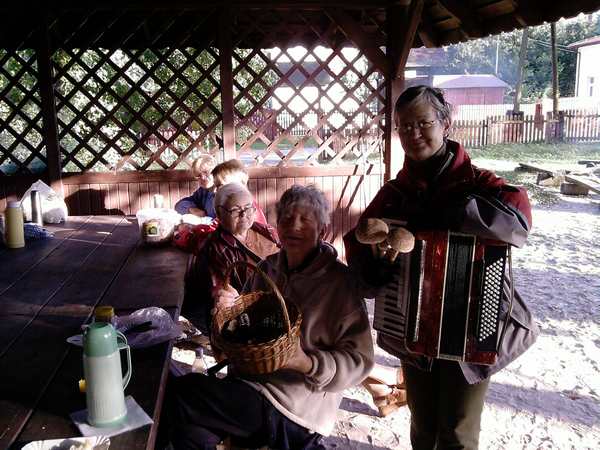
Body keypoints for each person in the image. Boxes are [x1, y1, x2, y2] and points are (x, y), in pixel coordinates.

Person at [344, 85, 538, 449]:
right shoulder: (394, 195)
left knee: (458, 433)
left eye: (423, 123)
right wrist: (371, 270)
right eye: (405, 126)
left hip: (471, 327)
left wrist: (462, 211)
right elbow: (358, 239)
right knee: (423, 426)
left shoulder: (479, 184)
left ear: (445, 123)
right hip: (412, 326)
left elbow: (520, 223)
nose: (414, 133)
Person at [169, 185, 374, 450]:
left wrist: (306, 363)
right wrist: (226, 315)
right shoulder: (267, 268)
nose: (294, 226)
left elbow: (360, 361)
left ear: (322, 231)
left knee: (183, 393)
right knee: (190, 429)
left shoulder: (340, 284)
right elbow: (235, 340)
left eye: (305, 219)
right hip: (249, 386)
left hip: (292, 405)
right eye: (287, 218)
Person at [182, 182, 279, 334]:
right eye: (235, 210)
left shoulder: (266, 231)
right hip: (254, 316)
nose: (244, 214)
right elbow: (222, 293)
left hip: (284, 301)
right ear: (219, 214)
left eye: (248, 207)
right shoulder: (215, 248)